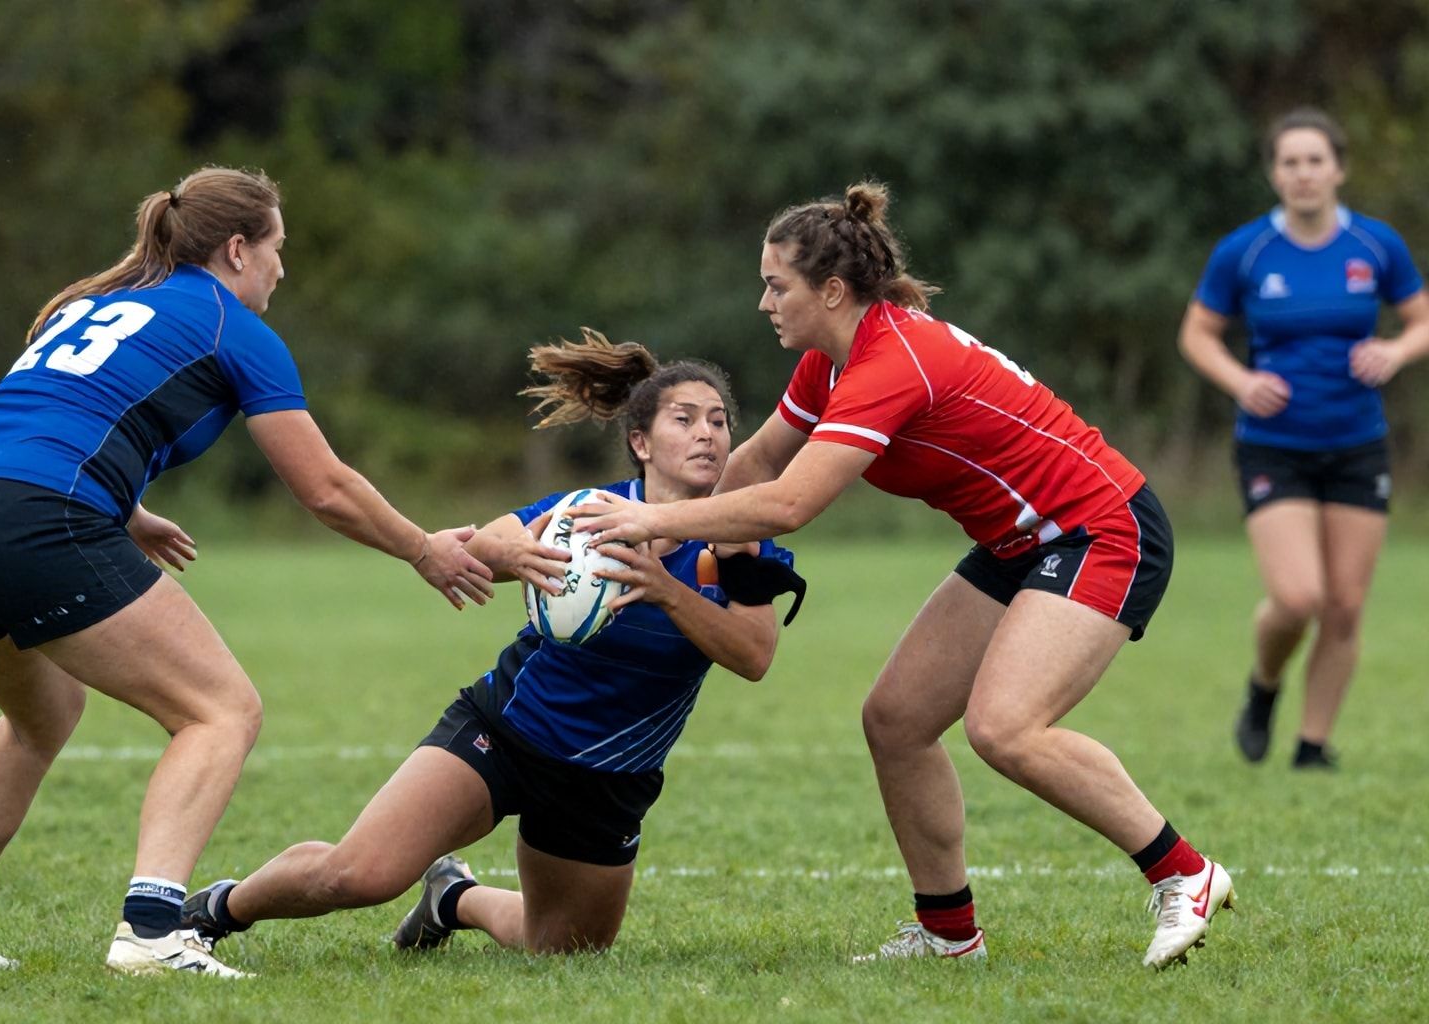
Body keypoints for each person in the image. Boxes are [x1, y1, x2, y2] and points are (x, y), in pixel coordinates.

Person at [575, 183, 1234, 969]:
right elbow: (754, 465)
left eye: (775, 284)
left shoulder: (893, 362)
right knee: (895, 719)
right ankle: (949, 933)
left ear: (830, 290)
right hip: (1020, 542)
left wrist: (651, 526)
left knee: (1005, 727)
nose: (763, 303)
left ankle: (1183, 873)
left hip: (1100, 528)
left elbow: (786, 505)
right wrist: (639, 521)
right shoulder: (832, 363)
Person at [0, 166, 495, 977]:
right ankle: (149, 933)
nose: (285, 268)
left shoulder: (96, 304)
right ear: (239, 250)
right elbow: (325, 487)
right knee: (221, 710)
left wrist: (128, 510)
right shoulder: (232, 327)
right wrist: (424, 548)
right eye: (280, 248)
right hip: (37, 517)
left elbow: (54, 411)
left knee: (40, 716)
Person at [175, 331, 802, 956]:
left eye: (719, 422)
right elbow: (484, 549)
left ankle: (453, 899)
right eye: (685, 419)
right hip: (507, 732)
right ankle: (217, 908)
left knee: (563, 949)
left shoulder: (739, 540)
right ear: (641, 442)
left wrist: (667, 591)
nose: (707, 434)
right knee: (360, 874)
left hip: (611, 776)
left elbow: (754, 656)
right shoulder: (584, 512)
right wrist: (503, 549)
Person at [1178, 107, 1429, 770]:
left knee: (1344, 607)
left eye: (1316, 160)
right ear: (1274, 174)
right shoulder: (1246, 250)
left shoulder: (1376, 246)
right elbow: (1197, 335)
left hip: (1357, 444)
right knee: (1298, 598)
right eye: (1289, 162)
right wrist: (1241, 380)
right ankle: (1263, 688)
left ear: (1339, 169)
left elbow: (1421, 320)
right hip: (1272, 444)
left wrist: (1397, 351)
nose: (1304, 173)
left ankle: (1312, 747)